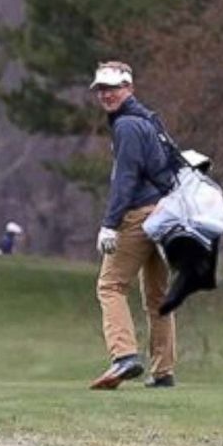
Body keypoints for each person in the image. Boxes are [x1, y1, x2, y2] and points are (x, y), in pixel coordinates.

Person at [88, 61, 180, 390]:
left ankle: (124, 355)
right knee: (158, 297)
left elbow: (125, 180)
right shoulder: (149, 120)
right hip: (164, 212)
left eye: (112, 88)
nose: (106, 95)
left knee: (110, 286)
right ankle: (163, 371)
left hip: (139, 214)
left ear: (128, 87)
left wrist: (110, 224)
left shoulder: (127, 125)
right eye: (101, 89)